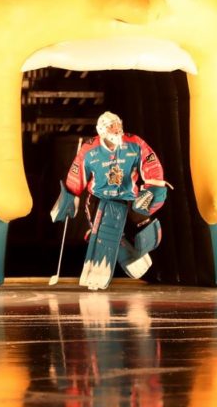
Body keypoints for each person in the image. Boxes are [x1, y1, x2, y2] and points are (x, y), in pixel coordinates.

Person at [51, 111, 170, 290]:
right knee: (97, 231)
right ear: (101, 130)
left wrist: (154, 187)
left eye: (117, 126)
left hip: (129, 197)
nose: (116, 130)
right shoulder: (89, 149)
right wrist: (70, 198)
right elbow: (76, 177)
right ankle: (111, 252)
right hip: (100, 198)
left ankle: (137, 245)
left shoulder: (134, 143)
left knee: (141, 212)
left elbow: (151, 165)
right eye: (111, 127)